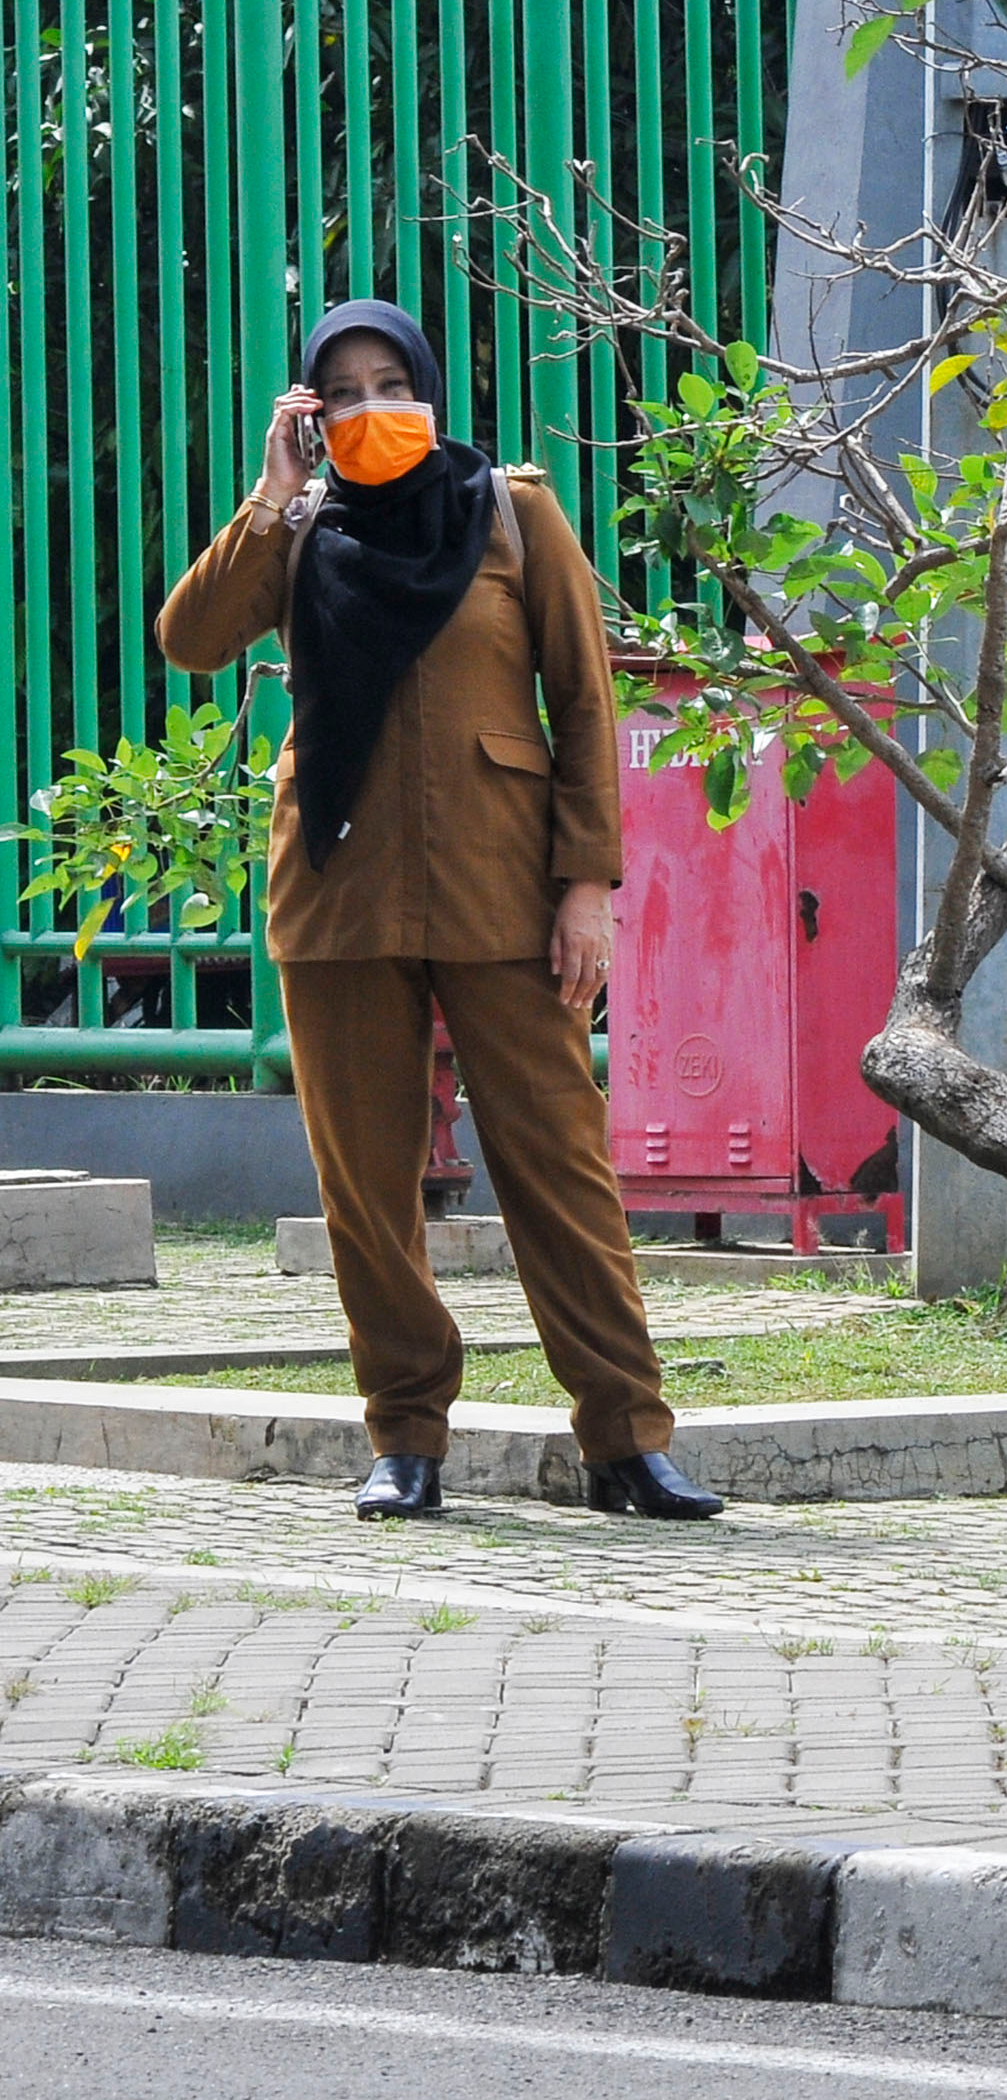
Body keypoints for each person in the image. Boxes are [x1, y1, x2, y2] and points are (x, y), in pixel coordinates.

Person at [157, 299, 724, 1523]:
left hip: (502, 888)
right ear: (311, 409)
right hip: (338, 887)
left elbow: (581, 701)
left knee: (558, 1167)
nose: (368, 410)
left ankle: (626, 1439)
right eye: (340, 391)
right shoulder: (301, 528)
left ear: (428, 387)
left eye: (386, 383)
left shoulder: (512, 511)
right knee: (366, 1184)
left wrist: (588, 889)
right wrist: (271, 496)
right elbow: (189, 641)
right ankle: (406, 1436)